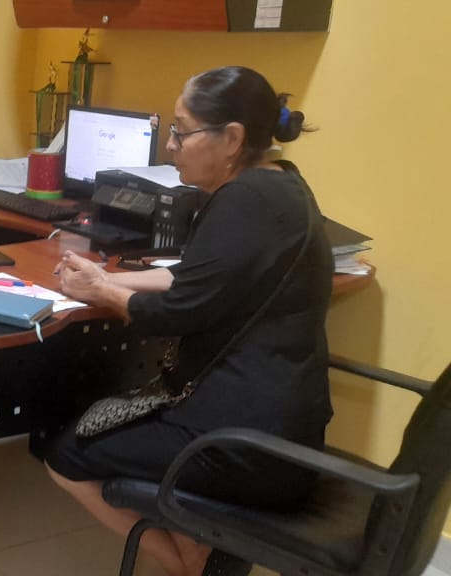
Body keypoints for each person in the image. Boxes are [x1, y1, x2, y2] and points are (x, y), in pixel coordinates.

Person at [44, 66, 330, 576]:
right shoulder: (282, 185)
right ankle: (206, 557)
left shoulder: (242, 201)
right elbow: (199, 275)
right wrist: (110, 278)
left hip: (241, 443)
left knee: (66, 455)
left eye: (181, 130)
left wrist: (102, 292)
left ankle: (189, 566)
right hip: (286, 432)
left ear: (232, 139)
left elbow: (176, 312)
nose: (170, 145)